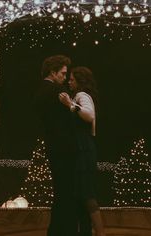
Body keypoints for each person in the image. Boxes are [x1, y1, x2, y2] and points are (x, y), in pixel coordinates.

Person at [33, 55, 79, 236]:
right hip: (65, 147)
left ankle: (55, 231)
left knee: (60, 191)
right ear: (53, 72)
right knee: (67, 192)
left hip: (52, 145)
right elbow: (71, 119)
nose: (66, 78)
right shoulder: (57, 91)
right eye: (63, 73)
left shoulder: (39, 91)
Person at [59, 66, 106, 236]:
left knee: (86, 193)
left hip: (84, 149)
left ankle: (100, 233)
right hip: (82, 148)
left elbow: (89, 115)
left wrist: (69, 104)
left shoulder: (81, 96)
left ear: (80, 81)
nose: (69, 82)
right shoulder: (79, 96)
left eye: (72, 79)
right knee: (82, 193)